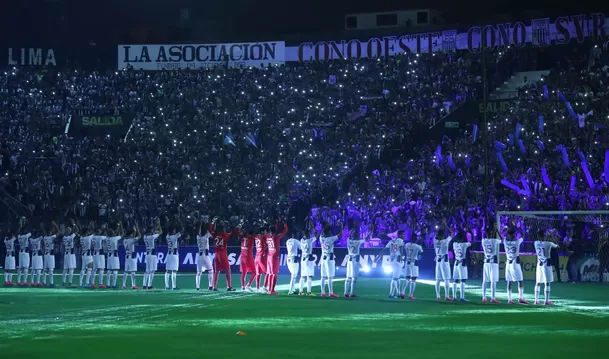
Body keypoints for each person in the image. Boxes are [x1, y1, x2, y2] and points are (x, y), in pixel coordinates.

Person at [210, 217, 240, 291]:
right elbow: (233, 233)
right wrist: (232, 226)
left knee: (216, 271)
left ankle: (214, 286)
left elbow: (210, 230)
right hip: (223, 254)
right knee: (227, 270)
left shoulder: (215, 235)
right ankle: (229, 286)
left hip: (216, 254)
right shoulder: (224, 235)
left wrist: (213, 222)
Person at [375, 230, 405, 298]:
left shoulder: (391, 241)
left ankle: (398, 293)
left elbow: (384, 250)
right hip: (397, 260)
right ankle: (391, 294)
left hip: (392, 260)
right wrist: (401, 259)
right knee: (395, 278)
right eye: (403, 234)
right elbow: (401, 251)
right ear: (399, 235)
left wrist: (378, 257)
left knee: (397, 277)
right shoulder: (401, 241)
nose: (404, 236)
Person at [502, 225, 528, 304]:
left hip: (508, 264)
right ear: (514, 235)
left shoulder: (505, 242)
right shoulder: (517, 242)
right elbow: (523, 235)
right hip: (515, 263)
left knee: (509, 281)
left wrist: (504, 231)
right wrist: (517, 227)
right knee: (520, 281)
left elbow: (502, 236)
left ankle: (509, 299)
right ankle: (521, 298)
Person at [318, 221, 343, 297]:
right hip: (329, 258)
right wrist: (341, 226)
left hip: (323, 258)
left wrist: (325, 227)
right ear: (328, 232)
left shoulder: (321, 238)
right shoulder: (330, 239)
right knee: (330, 276)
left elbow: (321, 233)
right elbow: (340, 235)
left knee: (323, 276)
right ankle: (331, 292)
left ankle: (322, 292)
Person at [534, 229, 559, 305]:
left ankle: (536, 300)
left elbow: (543, 243)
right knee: (547, 283)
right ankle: (546, 301)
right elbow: (557, 246)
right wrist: (552, 237)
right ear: (544, 236)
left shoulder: (536, 243)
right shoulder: (549, 243)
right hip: (547, 264)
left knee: (538, 282)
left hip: (539, 264)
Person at [433, 219, 454, 301]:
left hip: (438, 260)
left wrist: (442, 225)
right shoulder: (445, 241)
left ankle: (438, 296)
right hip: (444, 261)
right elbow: (452, 233)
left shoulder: (435, 241)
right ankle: (446, 296)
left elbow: (437, 233)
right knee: (447, 279)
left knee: (438, 279)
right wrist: (446, 226)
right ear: (443, 235)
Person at [345, 225, 368, 298]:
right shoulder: (358, 242)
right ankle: (352, 293)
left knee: (348, 277)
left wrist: (352, 230)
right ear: (357, 236)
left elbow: (348, 236)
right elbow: (366, 239)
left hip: (349, 259)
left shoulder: (348, 241)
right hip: (355, 260)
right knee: (354, 277)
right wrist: (370, 232)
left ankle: (345, 292)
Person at [266, 221, 288, 295]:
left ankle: (269, 290)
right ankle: (272, 290)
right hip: (275, 257)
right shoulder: (276, 237)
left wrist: (276, 225)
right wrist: (285, 225)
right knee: (274, 274)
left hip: (269, 256)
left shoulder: (267, 237)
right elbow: (285, 232)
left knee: (269, 274)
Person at [481, 223, 502, 303]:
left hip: (486, 262)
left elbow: (488, 236)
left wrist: (492, 231)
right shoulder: (494, 241)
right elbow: (502, 239)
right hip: (493, 263)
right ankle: (493, 298)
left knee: (485, 280)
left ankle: (484, 297)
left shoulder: (483, 241)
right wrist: (497, 231)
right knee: (493, 281)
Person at [452, 231, 471, 302]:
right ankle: (462, 297)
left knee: (455, 280)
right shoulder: (464, 245)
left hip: (456, 263)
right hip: (462, 263)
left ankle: (454, 296)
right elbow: (472, 242)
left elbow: (454, 239)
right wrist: (470, 232)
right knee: (463, 280)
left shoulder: (454, 244)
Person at [143, 218, 162, 289]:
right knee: (152, 270)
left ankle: (144, 285)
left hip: (147, 254)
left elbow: (151, 232)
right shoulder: (151, 237)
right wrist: (158, 223)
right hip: (152, 254)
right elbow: (160, 232)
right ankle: (149, 285)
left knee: (147, 270)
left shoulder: (145, 237)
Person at [403, 233, 423, 300]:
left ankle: (402, 292)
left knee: (407, 277)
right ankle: (410, 295)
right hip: (414, 262)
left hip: (407, 261)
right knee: (413, 279)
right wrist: (420, 242)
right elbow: (421, 252)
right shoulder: (418, 246)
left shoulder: (407, 244)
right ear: (416, 239)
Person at [195, 222, 214, 291]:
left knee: (199, 272)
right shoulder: (206, 236)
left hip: (199, 256)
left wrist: (200, 225)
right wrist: (213, 222)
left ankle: (197, 287)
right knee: (211, 270)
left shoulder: (197, 237)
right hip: (205, 256)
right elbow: (211, 231)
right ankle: (210, 286)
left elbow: (198, 232)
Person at [165, 220, 182, 290]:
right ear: (172, 231)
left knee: (168, 271)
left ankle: (167, 286)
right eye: (174, 230)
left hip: (169, 254)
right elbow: (181, 231)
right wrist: (178, 221)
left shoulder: (167, 236)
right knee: (174, 270)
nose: (175, 231)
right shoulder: (174, 237)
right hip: (174, 254)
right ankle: (174, 286)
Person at [122, 223, 140, 290]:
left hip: (127, 256)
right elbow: (139, 236)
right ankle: (133, 285)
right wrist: (136, 229)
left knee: (126, 271)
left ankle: (123, 285)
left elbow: (133, 238)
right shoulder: (131, 240)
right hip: (132, 257)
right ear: (131, 234)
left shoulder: (124, 240)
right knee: (133, 271)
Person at [299, 228, 316, 296]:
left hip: (303, 258)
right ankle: (309, 292)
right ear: (308, 234)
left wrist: (309, 229)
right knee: (309, 276)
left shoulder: (302, 240)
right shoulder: (309, 240)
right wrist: (313, 229)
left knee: (302, 276)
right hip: (308, 259)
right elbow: (317, 235)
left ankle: (301, 291)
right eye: (309, 234)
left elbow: (304, 236)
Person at [105, 223, 123, 289]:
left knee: (109, 270)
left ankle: (107, 284)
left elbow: (114, 233)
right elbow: (122, 235)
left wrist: (117, 227)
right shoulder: (114, 238)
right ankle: (114, 284)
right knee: (115, 270)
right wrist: (120, 226)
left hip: (109, 255)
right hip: (114, 255)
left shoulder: (107, 238)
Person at [62, 220, 78, 287]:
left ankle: (63, 282)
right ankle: (70, 282)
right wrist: (74, 224)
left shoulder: (64, 237)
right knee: (71, 268)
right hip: (71, 254)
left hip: (66, 253)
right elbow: (77, 230)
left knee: (65, 269)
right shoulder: (71, 237)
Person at [42, 221, 59, 287]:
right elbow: (58, 232)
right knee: (51, 269)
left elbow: (44, 232)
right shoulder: (51, 237)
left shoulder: (45, 237)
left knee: (45, 269)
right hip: (50, 254)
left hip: (46, 254)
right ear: (49, 232)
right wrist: (55, 225)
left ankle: (44, 282)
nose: (52, 232)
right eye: (51, 231)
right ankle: (51, 283)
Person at [79, 222, 95, 287]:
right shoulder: (88, 238)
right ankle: (87, 283)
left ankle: (80, 283)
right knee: (89, 269)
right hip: (88, 255)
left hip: (83, 254)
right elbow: (93, 232)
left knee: (83, 269)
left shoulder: (81, 238)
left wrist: (88, 226)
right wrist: (92, 225)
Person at [17, 218, 32, 286]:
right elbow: (30, 232)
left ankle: (19, 281)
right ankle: (25, 281)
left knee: (20, 267)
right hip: (25, 253)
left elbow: (18, 232)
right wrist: (27, 223)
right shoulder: (26, 236)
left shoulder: (19, 236)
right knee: (26, 267)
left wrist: (20, 226)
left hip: (20, 252)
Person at [286, 231, 301, 295]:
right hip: (294, 259)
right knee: (294, 275)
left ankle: (293, 289)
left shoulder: (287, 241)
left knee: (293, 275)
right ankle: (290, 291)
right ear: (295, 234)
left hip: (288, 258)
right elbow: (301, 248)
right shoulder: (297, 241)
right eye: (297, 234)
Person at [254, 228, 269, 293]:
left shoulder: (256, 237)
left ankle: (257, 288)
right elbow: (269, 235)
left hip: (256, 257)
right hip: (261, 257)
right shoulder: (263, 237)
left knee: (258, 274)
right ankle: (264, 287)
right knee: (268, 272)